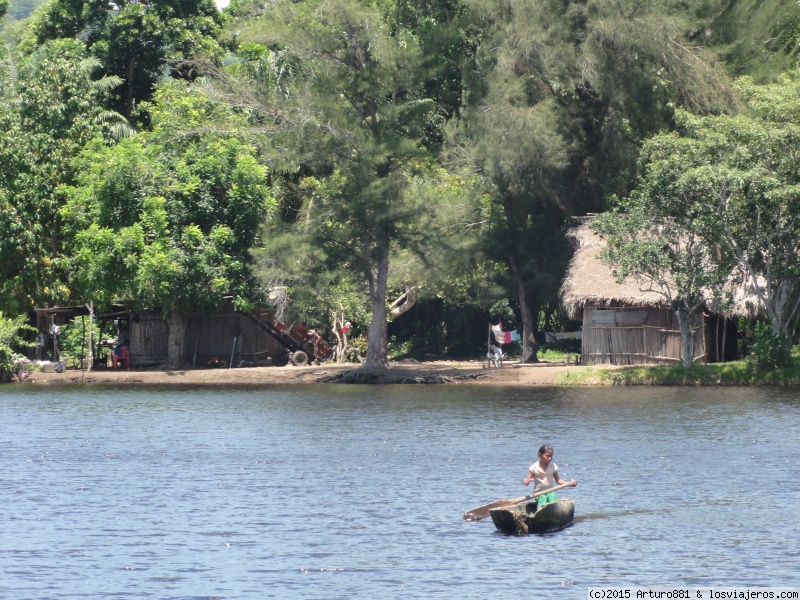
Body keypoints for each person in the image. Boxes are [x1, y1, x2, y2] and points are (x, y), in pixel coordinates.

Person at [522, 444, 577, 510]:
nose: (550, 458)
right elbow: (528, 479)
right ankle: (540, 511)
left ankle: (553, 510)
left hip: (550, 492)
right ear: (540, 455)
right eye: (547, 456)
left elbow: (558, 481)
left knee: (553, 495)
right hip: (538, 494)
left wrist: (569, 483)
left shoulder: (552, 466)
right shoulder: (534, 468)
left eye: (551, 456)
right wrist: (526, 481)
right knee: (542, 497)